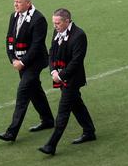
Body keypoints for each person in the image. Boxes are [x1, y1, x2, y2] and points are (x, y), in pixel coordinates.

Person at [0, 0, 54, 142]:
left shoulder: (38, 19)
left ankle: (11, 132)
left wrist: (22, 62)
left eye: (19, 2)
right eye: (14, 1)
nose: (15, 4)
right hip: (21, 62)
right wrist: (12, 58)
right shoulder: (14, 16)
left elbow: (36, 46)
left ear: (28, 3)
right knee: (35, 91)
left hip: (34, 62)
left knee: (23, 93)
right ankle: (48, 120)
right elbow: (10, 38)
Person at [38, 8, 96, 156]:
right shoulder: (57, 31)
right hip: (61, 77)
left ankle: (51, 145)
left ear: (67, 21)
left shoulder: (79, 36)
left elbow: (76, 61)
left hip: (72, 80)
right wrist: (53, 71)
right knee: (77, 105)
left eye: (57, 23)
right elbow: (51, 52)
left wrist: (61, 75)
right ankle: (89, 131)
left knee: (63, 112)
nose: (55, 26)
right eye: (54, 23)